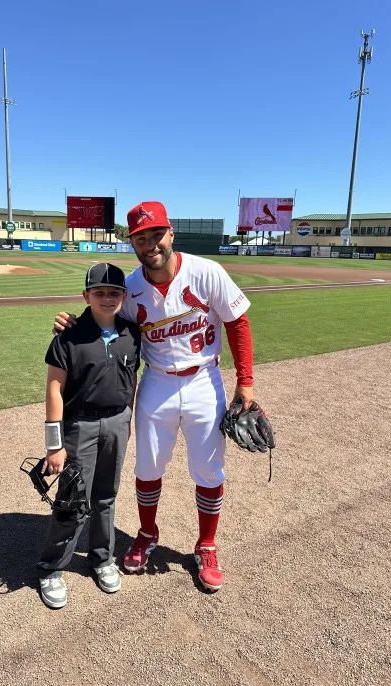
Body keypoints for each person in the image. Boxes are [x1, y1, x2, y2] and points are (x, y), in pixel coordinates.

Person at [54, 201, 255, 593]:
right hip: (157, 384)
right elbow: (102, 317)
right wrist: (72, 323)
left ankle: (206, 545)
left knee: (209, 470)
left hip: (203, 380)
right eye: (141, 238)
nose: (150, 244)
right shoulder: (130, 288)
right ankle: (147, 535)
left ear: (170, 234)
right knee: (147, 468)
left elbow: (238, 322)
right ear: (133, 243)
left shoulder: (206, 272)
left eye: (156, 234)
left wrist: (245, 382)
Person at [37, 262, 141, 609]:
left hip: (117, 423)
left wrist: (128, 419)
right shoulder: (69, 334)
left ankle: (101, 559)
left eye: (114, 293)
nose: (107, 298)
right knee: (72, 501)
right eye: (100, 293)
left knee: (106, 498)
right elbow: (54, 387)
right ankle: (52, 569)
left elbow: (132, 381)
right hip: (79, 426)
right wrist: (54, 443)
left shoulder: (131, 332)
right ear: (86, 296)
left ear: (123, 297)